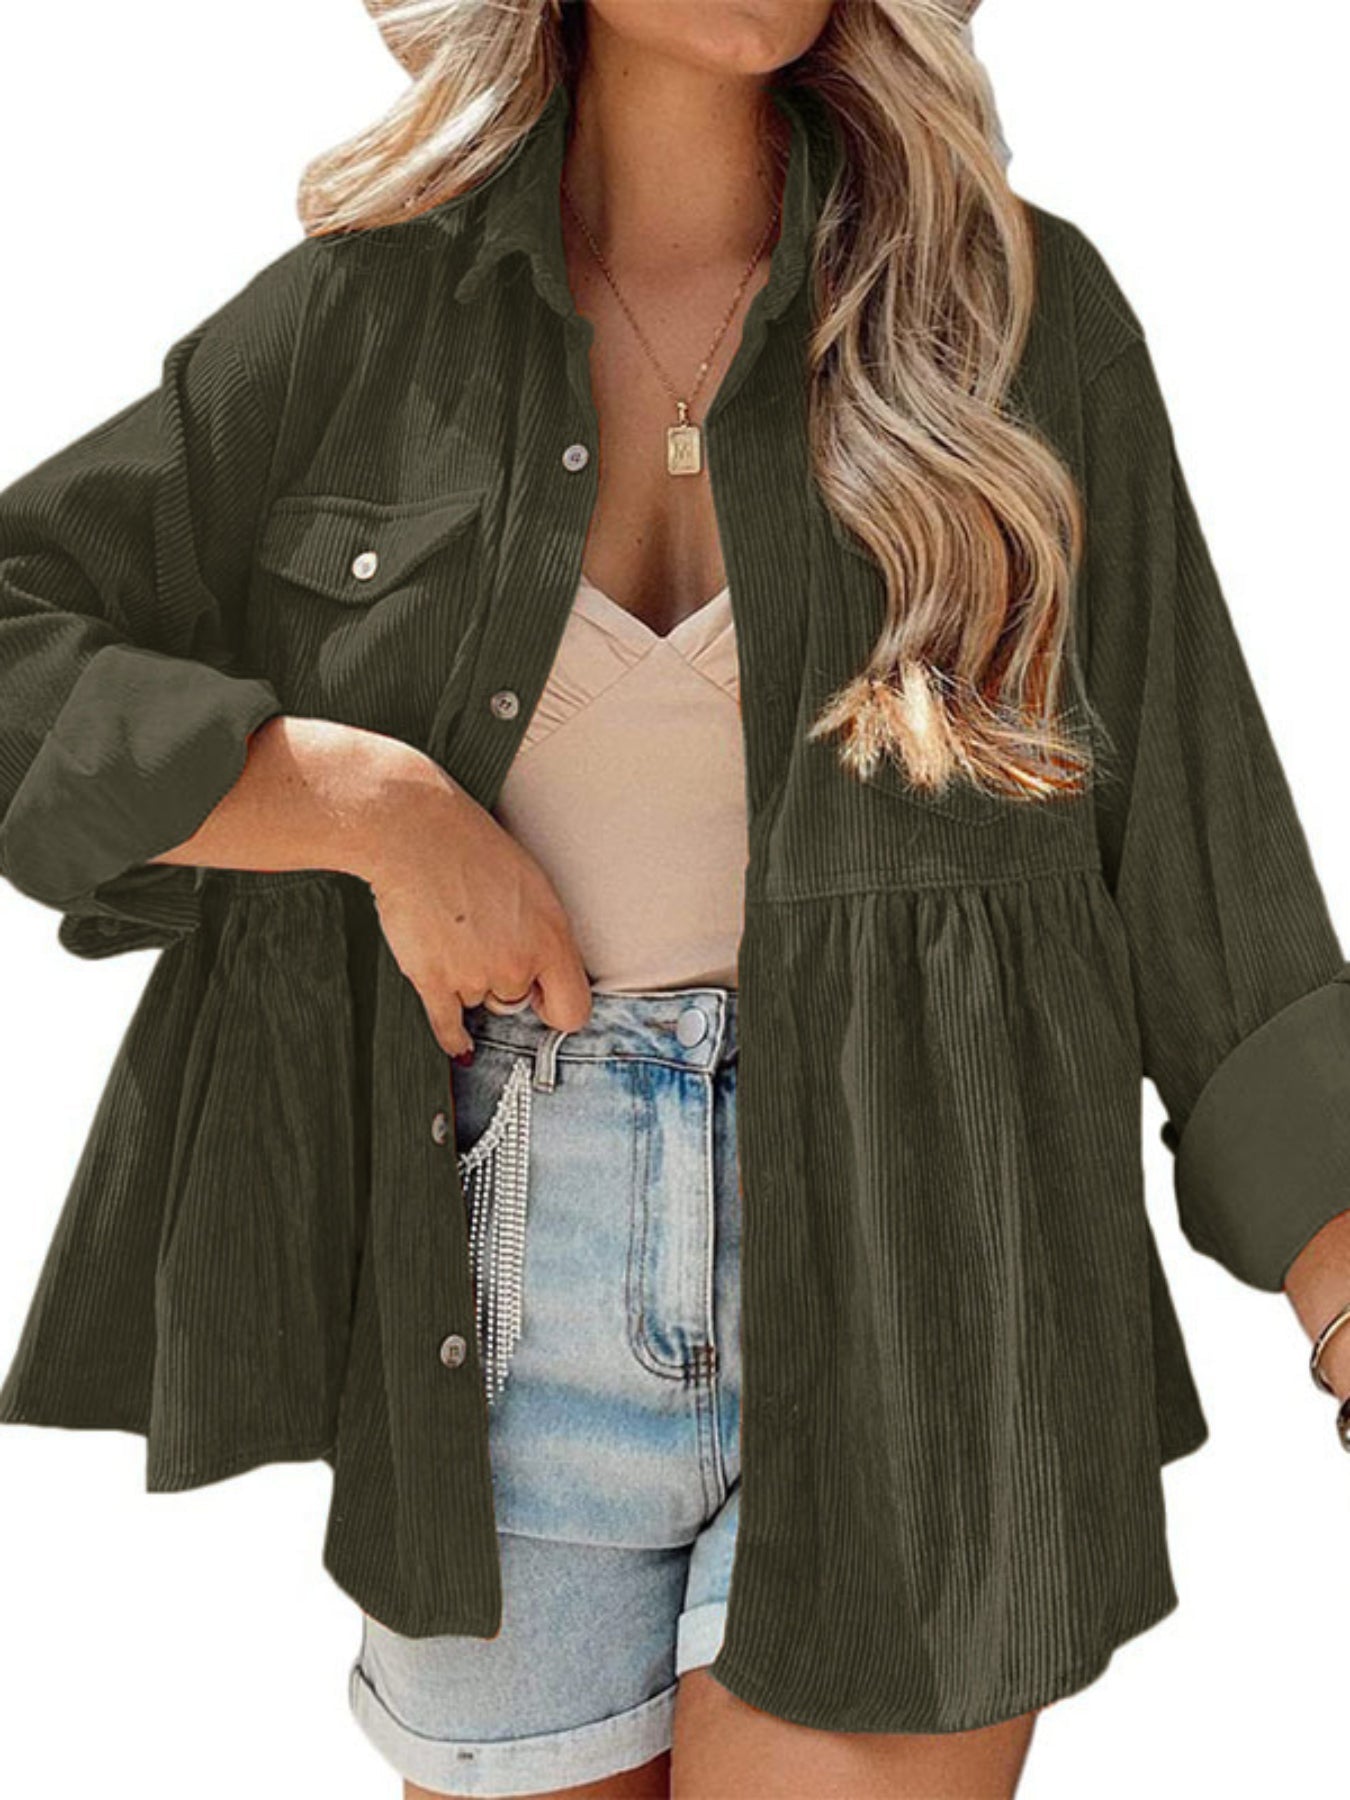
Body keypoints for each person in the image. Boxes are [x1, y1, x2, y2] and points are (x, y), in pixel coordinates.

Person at [4, 2, 1350, 1797]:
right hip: (493, 1314)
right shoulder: (364, 322)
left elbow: (1198, 844)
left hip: (929, 1263)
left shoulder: (1013, 315)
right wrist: (363, 808)